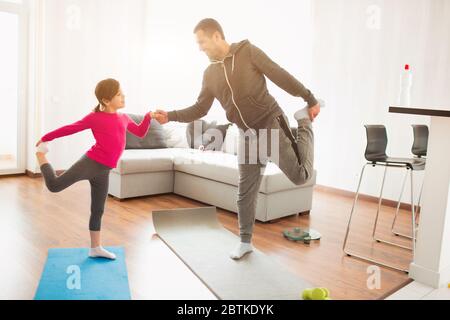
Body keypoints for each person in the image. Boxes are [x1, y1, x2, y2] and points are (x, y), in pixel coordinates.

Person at [154, 18, 323, 260]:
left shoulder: (248, 52)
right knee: (246, 190)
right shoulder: (210, 73)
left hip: (269, 124)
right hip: (246, 133)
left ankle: (303, 121)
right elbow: (200, 108)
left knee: (299, 176)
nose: (200, 48)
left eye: (202, 42)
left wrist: (309, 98)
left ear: (216, 36)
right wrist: (170, 116)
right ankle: (245, 242)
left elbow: (279, 74)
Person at [35, 78, 162, 259]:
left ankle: (95, 248)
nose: (123, 96)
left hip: (104, 170)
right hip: (91, 163)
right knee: (54, 185)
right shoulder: (94, 118)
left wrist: (148, 117)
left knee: (98, 209)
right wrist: (47, 137)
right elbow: (71, 128)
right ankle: (40, 156)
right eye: (119, 94)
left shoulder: (124, 117)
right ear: (106, 100)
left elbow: (140, 132)